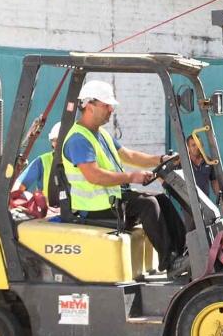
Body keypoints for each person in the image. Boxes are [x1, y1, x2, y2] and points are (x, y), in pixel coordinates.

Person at [61, 80, 176, 271]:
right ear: (90, 107)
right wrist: (132, 177)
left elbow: (129, 156)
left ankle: (180, 252)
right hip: (94, 207)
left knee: (162, 199)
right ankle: (168, 261)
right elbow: (94, 176)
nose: (111, 110)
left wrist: (161, 159)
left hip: (112, 199)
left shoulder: (101, 134)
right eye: (106, 105)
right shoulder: (79, 139)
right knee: (148, 205)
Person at [14, 122, 61, 193]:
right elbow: (18, 187)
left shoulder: (80, 160)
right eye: (55, 141)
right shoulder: (42, 161)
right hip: (47, 204)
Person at [186, 134, 223, 214]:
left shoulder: (208, 161)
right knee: (191, 226)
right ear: (188, 147)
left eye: (199, 144)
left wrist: (222, 203)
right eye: (193, 145)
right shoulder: (183, 162)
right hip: (188, 205)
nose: (197, 148)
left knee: (207, 226)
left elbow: (214, 182)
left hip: (205, 203)